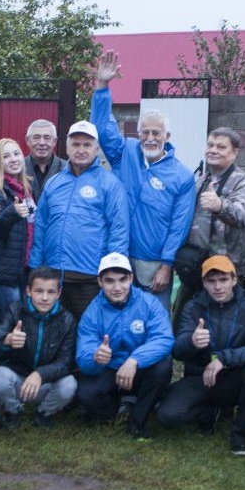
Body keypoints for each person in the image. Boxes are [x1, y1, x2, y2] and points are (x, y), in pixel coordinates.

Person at [93, 51, 195, 313]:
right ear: (138, 133)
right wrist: (102, 86)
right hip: (120, 255)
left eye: (156, 133)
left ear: (167, 136)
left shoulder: (182, 176)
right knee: (119, 319)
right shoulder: (124, 153)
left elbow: (179, 226)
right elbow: (102, 128)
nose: (150, 138)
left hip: (154, 265)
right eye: (145, 132)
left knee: (154, 320)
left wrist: (166, 265)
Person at [159, 255, 245, 456]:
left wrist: (224, 358)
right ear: (204, 283)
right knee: (167, 416)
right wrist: (192, 341)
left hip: (233, 377)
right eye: (211, 281)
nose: (218, 287)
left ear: (234, 280)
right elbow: (177, 351)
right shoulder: (193, 307)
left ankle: (240, 433)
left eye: (223, 280)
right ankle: (210, 413)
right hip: (199, 377)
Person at [28, 121, 130, 320]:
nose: (81, 150)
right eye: (76, 144)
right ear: (67, 147)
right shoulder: (54, 182)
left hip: (90, 277)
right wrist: (35, 268)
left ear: (96, 148)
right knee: (56, 331)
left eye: (87, 145)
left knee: (89, 330)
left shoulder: (110, 184)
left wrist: (112, 272)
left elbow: (118, 231)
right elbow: (40, 227)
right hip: (54, 277)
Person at [74, 253, 174, 440]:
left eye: (122, 280)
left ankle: (137, 421)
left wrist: (135, 360)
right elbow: (83, 356)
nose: (117, 287)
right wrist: (96, 357)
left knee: (163, 367)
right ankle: (116, 410)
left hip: (139, 367)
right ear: (100, 282)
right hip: (110, 367)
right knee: (86, 394)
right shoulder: (92, 312)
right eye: (109, 281)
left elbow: (164, 339)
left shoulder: (149, 303)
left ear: (131, 279)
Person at [174, 127, 245, 319]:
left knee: (222, 326)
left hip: (224, 273)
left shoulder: (243, 181)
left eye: (221, 147)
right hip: (195, 269)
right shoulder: (202, 179)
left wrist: (221, 206)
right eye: (210, 145)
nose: (213, 150)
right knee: (184, 322)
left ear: (234, 153)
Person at [0, 267, 77, 430]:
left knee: (69, 384)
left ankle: (44, 413)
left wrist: (40, 374)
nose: (45, 298)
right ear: (28, 291)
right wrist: (7, 338)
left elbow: (65, 362)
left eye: (51, 292)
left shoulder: (67, 320)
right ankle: (13, 411)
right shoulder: (15, 310)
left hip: (45, 384)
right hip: (17, 381)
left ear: (59, 293)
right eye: (39, 291)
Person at [0, 138, 35, 328]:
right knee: (12, 325)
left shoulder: (25, 189)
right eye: (6, 156)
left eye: (16, 154)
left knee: (10, 324)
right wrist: (11, 213)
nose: (13, 159)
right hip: (3, 273)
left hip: (21, 270)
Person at [23, 118, 67, 201]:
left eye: (47, 138)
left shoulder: (67, 169)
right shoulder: (17, 169)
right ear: (27, 141)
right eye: (36, 137)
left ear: (54, 141)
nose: (42, 143)